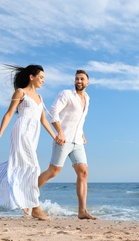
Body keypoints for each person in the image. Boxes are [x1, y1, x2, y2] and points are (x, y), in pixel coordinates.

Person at [0, 64, 56, 221]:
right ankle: (35, 207)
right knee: (33, 166)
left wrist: (54, 136)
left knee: (16, 164)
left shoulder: (40, 98)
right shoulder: (20, 92)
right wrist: (0, 133)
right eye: (41, 77)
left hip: (34, 134)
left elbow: (43, 120)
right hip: (21, 131)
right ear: (31, 77)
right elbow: (9, 114)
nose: (43, 80)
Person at [38, 69, 97, 220]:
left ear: (87, 83)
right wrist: (60, 132)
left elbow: (79, 119)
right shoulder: (66, 94)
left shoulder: (87, 98)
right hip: (63, 139)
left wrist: (82, 134)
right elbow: (53, 112)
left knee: (83, 172)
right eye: (77, 79)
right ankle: (27, 195)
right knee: (53, 171)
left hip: (77, 141)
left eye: (82, 79)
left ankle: (82, 211)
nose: (79, 81)